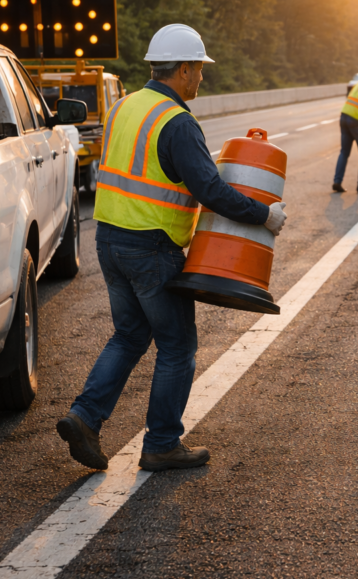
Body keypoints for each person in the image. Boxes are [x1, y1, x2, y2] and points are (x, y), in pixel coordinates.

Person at [56, 24, 288, 470]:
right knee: (178, 346)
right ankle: (161, 443)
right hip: (152, 248)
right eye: (199, 69)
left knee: (130, 335)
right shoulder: (177, 122)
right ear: (182, 70)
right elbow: (211, 189)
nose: (201, 77)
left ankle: (84, 417)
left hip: (108, 239)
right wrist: (264, 214)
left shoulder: (124, 106)